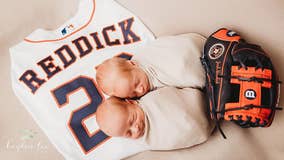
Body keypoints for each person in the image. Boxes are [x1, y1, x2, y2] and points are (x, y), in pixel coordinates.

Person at [96, 87, 214, 150]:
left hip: (199, 103)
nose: (136, 129)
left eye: (133, 120)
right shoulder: (147, 141)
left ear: (131, 102)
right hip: (203, 129)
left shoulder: (150, 99)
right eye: (128, 133)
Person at [95, 33, 206, 98]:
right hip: (202, 47)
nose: (140, 90)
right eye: (133, 94)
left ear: (132, 63)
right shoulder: (146, 92)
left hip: (191, 50)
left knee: (183, 67)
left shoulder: (145, 56)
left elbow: (164, 44)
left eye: (137, 83)